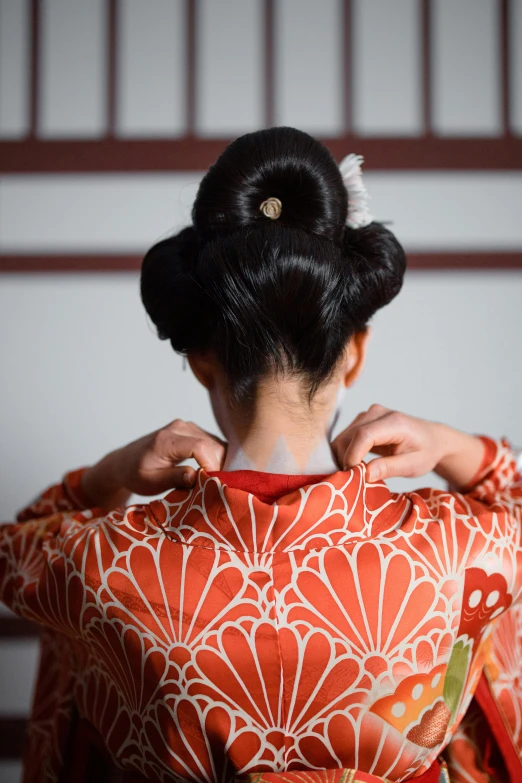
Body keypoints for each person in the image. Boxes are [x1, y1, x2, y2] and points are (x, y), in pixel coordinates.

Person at [1, 127, 521, 783]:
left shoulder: (101, 561)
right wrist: (451, 444)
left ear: (200, 362)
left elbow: (11, 545)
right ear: (353, 353)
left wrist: (114, 472)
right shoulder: (459, 549)